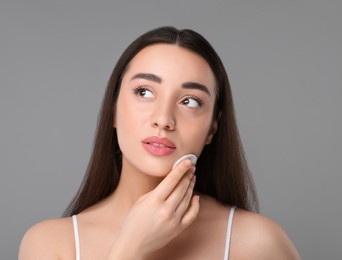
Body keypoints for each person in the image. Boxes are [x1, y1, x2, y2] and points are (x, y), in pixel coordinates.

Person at [19, 26, 300, 259]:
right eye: (144, 92)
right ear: (113, 110)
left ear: (213, 127)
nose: (164, 119)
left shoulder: (257, 243)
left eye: (190, 101)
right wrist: (129, 249)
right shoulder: (51, 245)